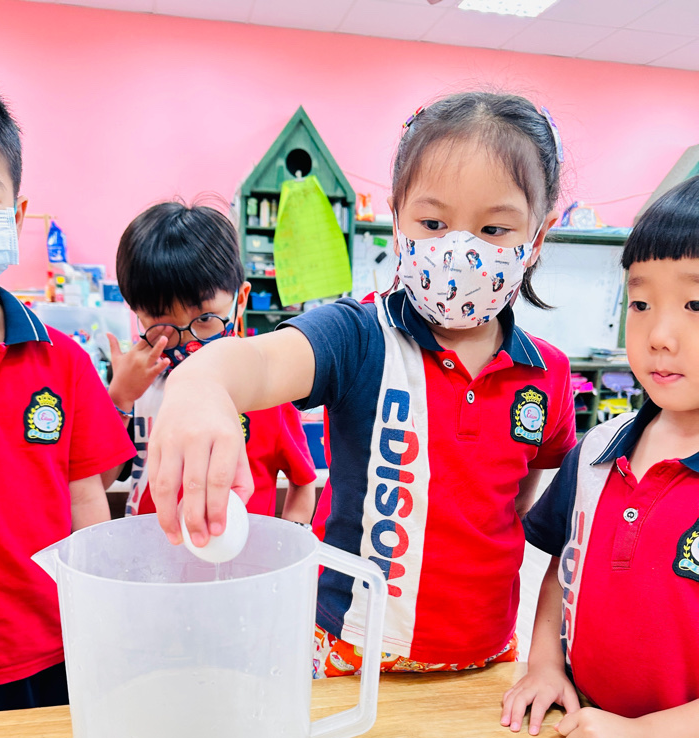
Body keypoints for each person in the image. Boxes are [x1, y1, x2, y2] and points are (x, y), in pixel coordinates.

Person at [147, 93, 577, 675]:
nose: (459, 250)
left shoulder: (547, 373)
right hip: (351, 647)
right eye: (432, 223)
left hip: (487, 654)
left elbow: (517, 496)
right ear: (398, 220)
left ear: (537, 237)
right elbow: (260, 363)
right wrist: (200, 383)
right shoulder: (357, 335)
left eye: (494, 228)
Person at [0, 57, 135, 713]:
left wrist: (102, 616)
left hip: (49, 652)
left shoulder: (63, 361)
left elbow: (86, 500)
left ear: (15, 218)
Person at [501, 175, 699, 738]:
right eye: (641, 304)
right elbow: (563, 568)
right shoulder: (595, 452)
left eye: (696, 305)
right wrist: (544, 664)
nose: (659, 336)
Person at [105, 201, 317, 524]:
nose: (185, 339)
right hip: (150, 551)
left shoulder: (266, 393)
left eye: (205, 318)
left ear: (240, 300)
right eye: (161, 322)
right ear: (136, 312)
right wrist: (119, 398)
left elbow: (303, 480)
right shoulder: (136, 385)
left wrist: (292, 539)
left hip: (243, 555)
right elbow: (99, 481)